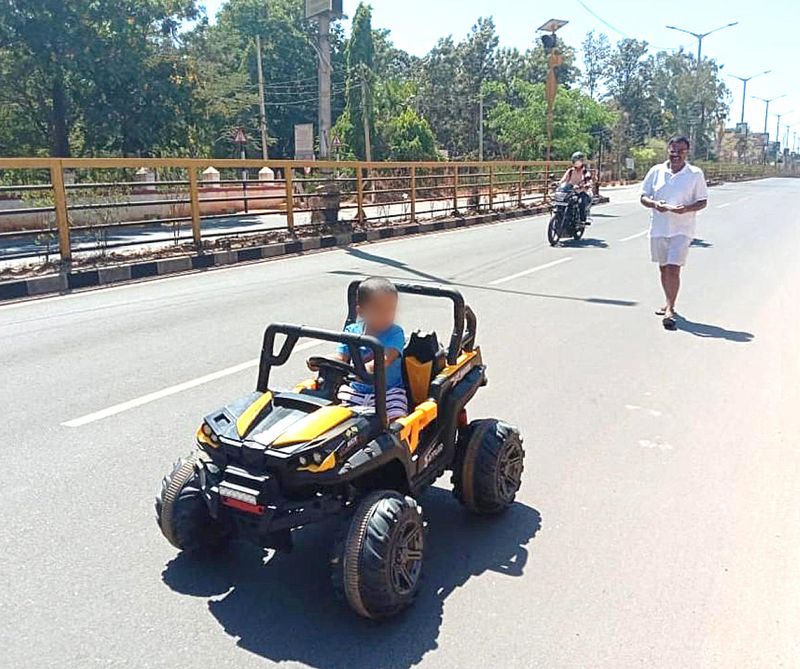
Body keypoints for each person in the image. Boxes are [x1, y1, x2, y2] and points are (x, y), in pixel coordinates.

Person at [640, 136, 708, 330]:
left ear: (687, 153)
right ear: (668, 150)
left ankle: (670, 309)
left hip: (682, 229)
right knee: (663, 268)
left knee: (673, 267)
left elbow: (702, 201)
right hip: (659, 228)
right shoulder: (656, 171)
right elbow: (643, 197)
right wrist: (655, 204)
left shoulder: (695, 174)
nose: (676, 154)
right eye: (673, 150)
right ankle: (668, 300)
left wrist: (685, 209)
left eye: (681, 151)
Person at [335, 277, 408, 419]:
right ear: (361, 312)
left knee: (396, 422)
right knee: (337, 420)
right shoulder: (352, 331)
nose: (386, 316)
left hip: (389, 393)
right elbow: (341, 357)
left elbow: (386, 359)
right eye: (379, 310)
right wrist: (323, 362)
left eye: (390, 310)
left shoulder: (395, 333)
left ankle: (396, 440)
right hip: (356, 391)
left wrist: (364, 370)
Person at [560, 151, 593, 224]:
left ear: (582, 161)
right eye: (575, 161)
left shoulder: (585, 172)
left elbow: (589, 181)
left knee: (581, 202)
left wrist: (586, 185)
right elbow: (564, 179)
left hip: (581, 192)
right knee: (562, 201)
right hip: (570, 192)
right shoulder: (570, 171)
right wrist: (557, 183)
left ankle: (582, 220)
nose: (576, 163)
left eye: (578, 161)